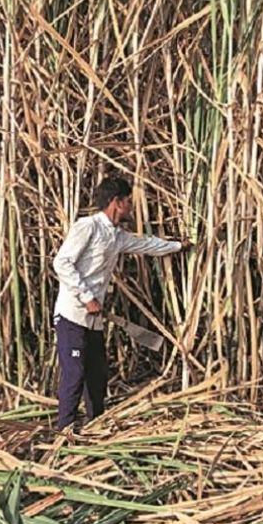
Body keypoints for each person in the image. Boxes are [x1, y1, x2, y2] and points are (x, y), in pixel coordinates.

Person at [51, 175, 192, 433]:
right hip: (72, 316)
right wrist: (87, 297)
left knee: (97, 374)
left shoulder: (116, 236)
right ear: (117, 202)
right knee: (74, 373)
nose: (131, 206)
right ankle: (64, 431)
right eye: (128, 201)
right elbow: (61, 262)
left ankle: (95, 426)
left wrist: (178, 246)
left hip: (93, 321)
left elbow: (146, 244)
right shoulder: (88, 227)